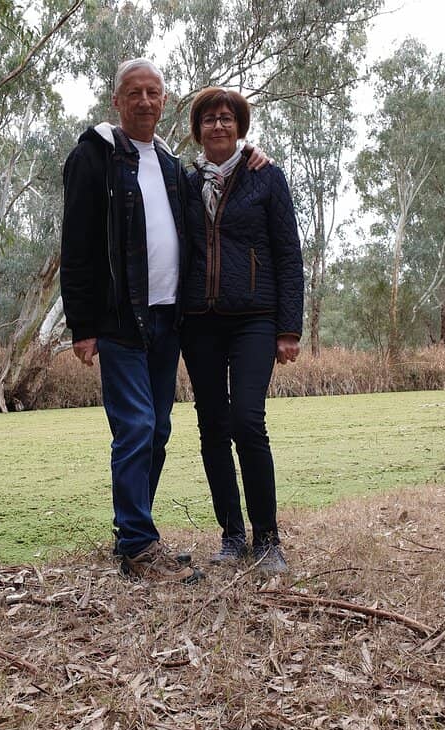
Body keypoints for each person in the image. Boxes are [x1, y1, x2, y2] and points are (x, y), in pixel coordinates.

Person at [59, 58, 201, 583]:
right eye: (134, 92)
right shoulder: (94, 156)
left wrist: (252, 153)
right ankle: (138, 546)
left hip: (168, 318)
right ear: (116, 101)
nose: (144, 101)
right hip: (119, 320)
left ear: (165, 102)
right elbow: (76, 245)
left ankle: (134, 535)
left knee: (157, 429)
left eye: (153, 93)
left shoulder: (169, 163)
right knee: (136, 425)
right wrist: (82, 325)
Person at [180, 87, 304, 577]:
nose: (218, 125)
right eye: (209, 118)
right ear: (198, 129)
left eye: (227, 118)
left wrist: (289, 328)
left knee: (247, 421)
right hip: (199, 320)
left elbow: (288, 254)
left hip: (255, 317)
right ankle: (232, 536)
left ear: (240, 127)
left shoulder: (265, 176)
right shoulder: (185, 182)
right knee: (212, 425)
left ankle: (268, 539)